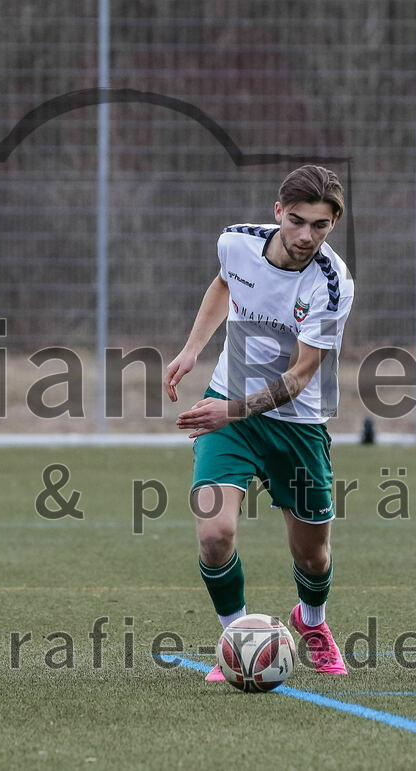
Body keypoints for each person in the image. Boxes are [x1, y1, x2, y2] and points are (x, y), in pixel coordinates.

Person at [166, 165, 355, 677]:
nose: (305, 236)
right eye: (296, 221)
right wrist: (191, 351)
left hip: (297, 423)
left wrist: (231, 409)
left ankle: (311, 621)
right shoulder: (236, 242)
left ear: (333, 223)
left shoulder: (333, 286)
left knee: (313, 555)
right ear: (277, 212)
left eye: (319, 226)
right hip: (229, 409)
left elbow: (299, 377)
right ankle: (237, 636)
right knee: (215, 535)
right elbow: (223, 285)